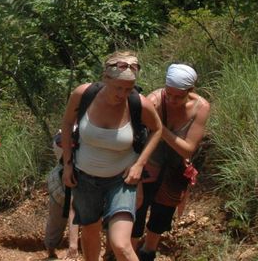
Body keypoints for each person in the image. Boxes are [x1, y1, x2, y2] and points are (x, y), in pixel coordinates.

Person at [60, 51, 162, 261]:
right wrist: (68, 164)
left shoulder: (139, 104)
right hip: (84, 177)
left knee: (121, 244)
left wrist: (139, 164)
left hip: (122, 180)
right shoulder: (83, 94)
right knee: (90, 231)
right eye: (118, 88)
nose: (122, 94)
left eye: (129, 88)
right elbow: (68, 123)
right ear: (105, 78)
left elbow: (157, 129)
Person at [132, 63, 210, 261]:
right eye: (169, 94)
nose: (173, 100)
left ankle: (148, 251)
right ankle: (127, 253)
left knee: (162, 214)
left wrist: (159, 128)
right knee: (137, 213)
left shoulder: (200, 107)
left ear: (190, 91)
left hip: (175, 169)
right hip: (149, 165)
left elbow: (188, 148)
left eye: (179, 96)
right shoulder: (154, 101)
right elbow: (136, 141)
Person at [44, 129, 79, 259]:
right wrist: (73, 246)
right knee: (56, 221)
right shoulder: (64, 136)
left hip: (77, 177)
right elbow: (71, 208)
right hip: (59, 185)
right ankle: (51, 251)